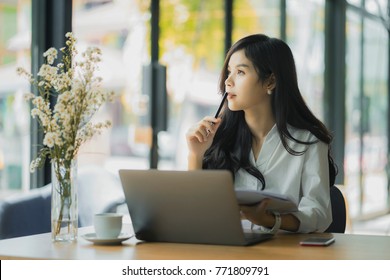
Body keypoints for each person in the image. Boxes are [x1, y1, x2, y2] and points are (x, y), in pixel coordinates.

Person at [186, 34, 337, 233]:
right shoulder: (218, 138)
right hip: (227, 253)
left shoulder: (309, 140)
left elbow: (318, 215)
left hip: (286, 256)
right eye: (229, 71)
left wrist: (269, 219)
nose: (228, 81)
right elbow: (196, 214)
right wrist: (195, 155)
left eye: (240, 72)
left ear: (270, 81)